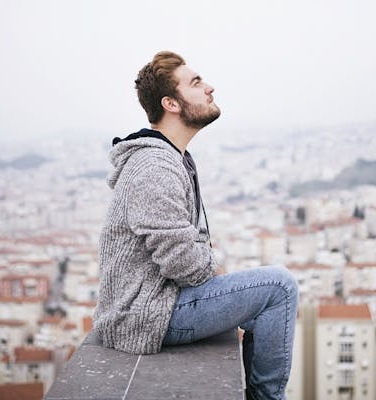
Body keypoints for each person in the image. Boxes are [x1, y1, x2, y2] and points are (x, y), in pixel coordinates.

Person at [93, 51, 298, 400]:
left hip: (149, 304)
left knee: (263, 294)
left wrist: (205, 261)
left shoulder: (172, 157)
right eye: (197, 83)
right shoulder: (155, 166)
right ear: (171, 103)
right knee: (279, 288)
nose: (210, 88)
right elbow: (182, 261)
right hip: (143, 318)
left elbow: (189, 250)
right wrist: (208, 263)